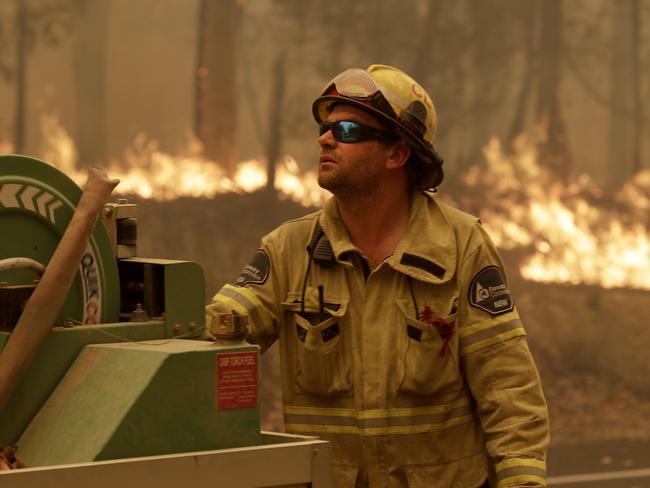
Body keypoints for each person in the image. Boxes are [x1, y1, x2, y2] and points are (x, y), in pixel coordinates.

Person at [207, 64, 549, 487]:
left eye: (348, 129)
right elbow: (215, 344)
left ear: (397, 154)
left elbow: (509, 392)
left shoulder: (462, 248)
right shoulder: (287, 251)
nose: (326, 138)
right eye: (325, 126)